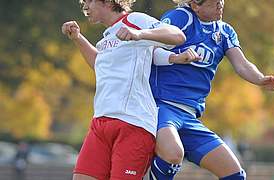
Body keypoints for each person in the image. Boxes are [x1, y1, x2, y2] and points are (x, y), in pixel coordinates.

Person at [149, 0, 274, 179]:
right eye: (214, 2)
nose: (220, 4)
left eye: (221, 0)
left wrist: (260, 79)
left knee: (235, 174)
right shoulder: (180, 17)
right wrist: (176, 57)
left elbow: (242, 64)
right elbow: (149, 51)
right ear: (195, 5)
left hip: (189, 117)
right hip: (162, 107)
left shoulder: (224, 32)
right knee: (173, 154)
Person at [61, 0, 189, 179]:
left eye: (90, 1)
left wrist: (139, 34)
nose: (85, 6)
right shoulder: (107, 37)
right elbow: (99, 66)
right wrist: (77, 38)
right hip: (101, 122)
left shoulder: (135, 20)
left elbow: (177, 35)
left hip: (133, 123)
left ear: (108, 2)